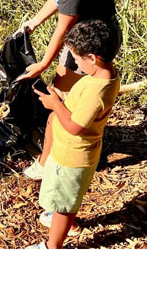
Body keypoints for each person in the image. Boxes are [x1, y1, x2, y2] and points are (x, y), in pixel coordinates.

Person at [16, 0, 121, 180]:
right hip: (95, 37)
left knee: (59, 104)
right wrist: (33, 22)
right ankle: (83, 146)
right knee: (78, 102)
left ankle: (45, 163)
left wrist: (44, 63)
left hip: (89, 48)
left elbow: (63, 30)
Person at [28, 20, 120, 249]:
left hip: (72, 156)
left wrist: (54, 105)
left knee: (64, 206)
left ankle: (52, 247)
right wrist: (61, 99)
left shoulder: (97, 90)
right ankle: (61, 218)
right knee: (65, 199)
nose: (75, 63)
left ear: (92, 58)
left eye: (77, 59)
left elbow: (75, 127)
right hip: (71, 153)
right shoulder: (103, 76)